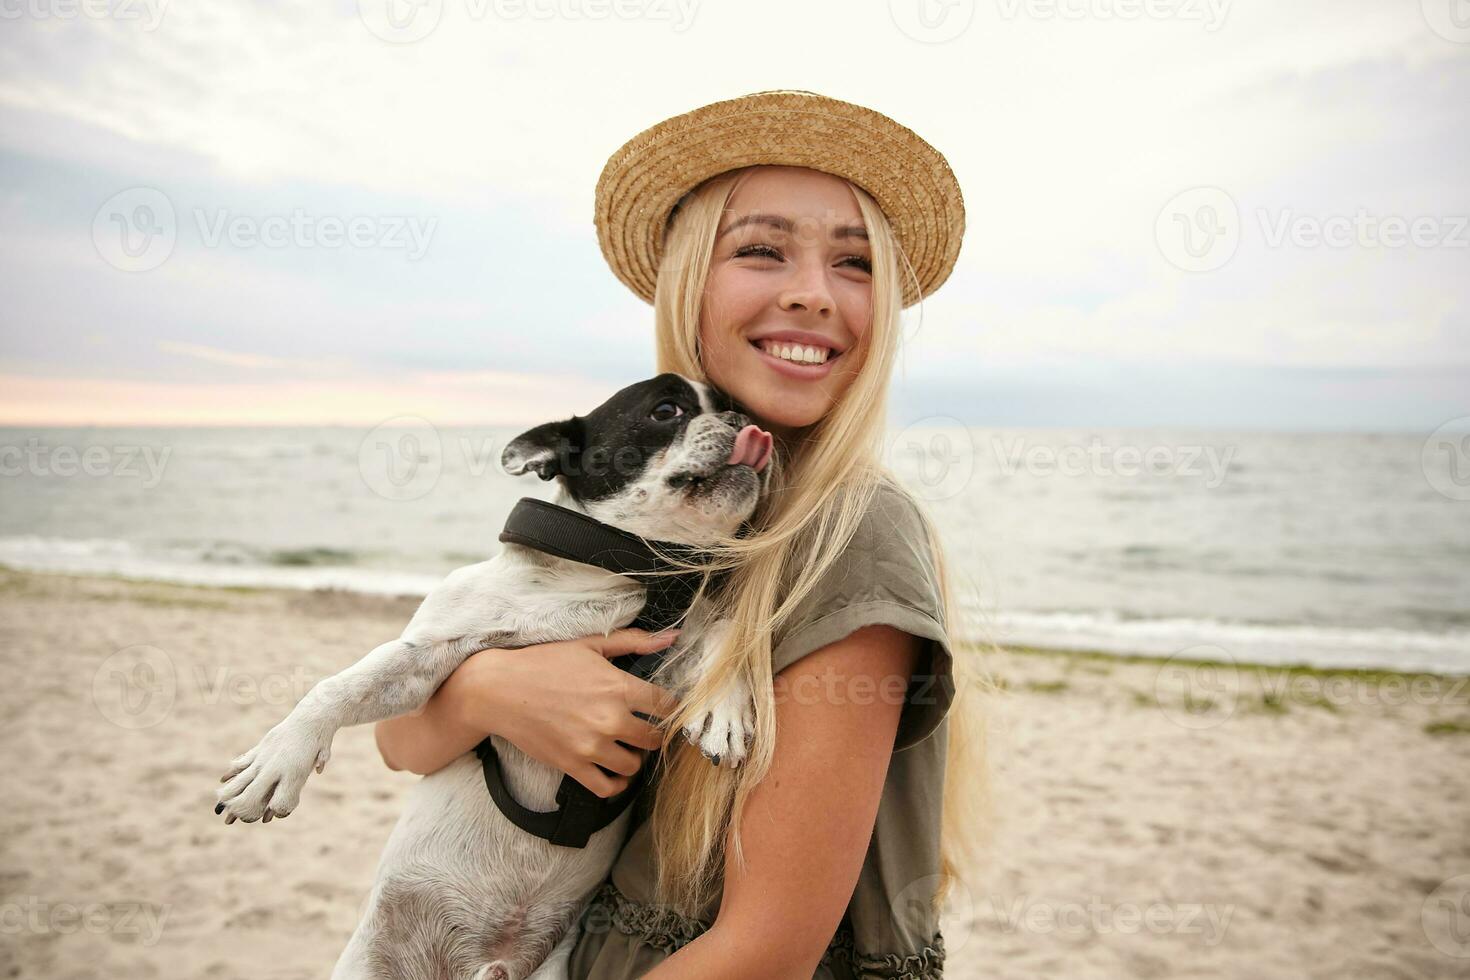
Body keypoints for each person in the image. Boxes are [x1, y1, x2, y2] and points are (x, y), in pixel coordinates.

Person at [373, 89, 997, 979]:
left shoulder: (848, 533)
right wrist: (491, 693)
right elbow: (399, 743)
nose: (813, 294)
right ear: (688, 280)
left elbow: (764, 951)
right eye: (761, 250)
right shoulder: (679, 519)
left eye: (855, 265)